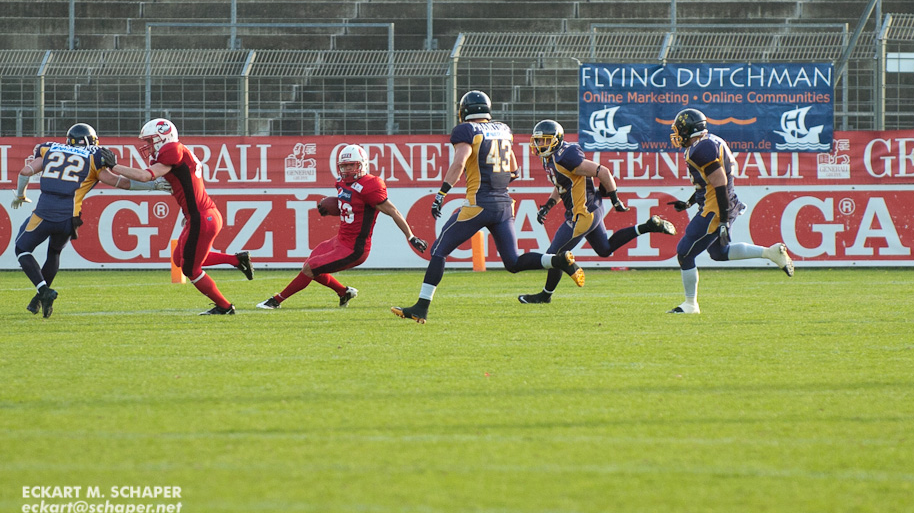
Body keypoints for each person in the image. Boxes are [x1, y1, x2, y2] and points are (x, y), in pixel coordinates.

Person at [391, 90, 585, 323]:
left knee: (439, 250)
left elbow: (459, 162)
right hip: (504, 205)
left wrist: (442, 192)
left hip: (478, 204)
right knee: (513, 262)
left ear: (464, 110)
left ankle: (421, 307)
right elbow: (514, 171)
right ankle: (558, 260)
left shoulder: (466, 130)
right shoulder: (503, 129)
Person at [10, 122, 171, 318]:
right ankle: (38, 299)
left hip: (44, 213)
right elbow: (121, 183)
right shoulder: (94, 159)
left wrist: (20, 195)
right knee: (54, 253)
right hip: (69, 219)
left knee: (22, 249)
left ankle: (43, 291)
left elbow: (25, 172)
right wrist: (153, 186)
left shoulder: (49, 149)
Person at [519, 119, 676, 304]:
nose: (540, 144)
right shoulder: (550, 159)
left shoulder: (565, 156)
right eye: (538, 140)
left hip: (584, 212)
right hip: (589, 207)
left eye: (544, 140)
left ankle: (546, 295)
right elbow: (562, 183)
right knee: (604, 249)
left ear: (556, 139)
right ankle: (648, 226)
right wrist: (548, 205)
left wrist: (615, 199)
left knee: (554, 255)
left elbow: (603, 172)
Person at [110, 118, 254, 315]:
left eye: (150, 141)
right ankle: (236, 260)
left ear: (163, 137)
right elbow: (142, 181)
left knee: (190, 270)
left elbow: (144, 176)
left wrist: (114, 165)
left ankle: (225, 306)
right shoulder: (175, 155)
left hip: (201, 217)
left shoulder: (173, 150)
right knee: (179, 259)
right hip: (199, 216)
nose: (148, 146)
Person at [257, 143, 428, 310]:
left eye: (351, 165)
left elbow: (393, 211)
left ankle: (276, 301)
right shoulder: (341, 182)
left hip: (355, 248)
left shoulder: (370, 185)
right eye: (344, 166)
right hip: (340, 240)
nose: (347, 170)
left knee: (311, 268)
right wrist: (334, 208)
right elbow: (353, 206)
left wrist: (410, 236)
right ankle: (343, 292)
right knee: (310, 264)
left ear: (362, 164)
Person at [667, 108, 794, 314]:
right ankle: (770, 253)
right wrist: (690, 203)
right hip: (719, 204)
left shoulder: (701, 149)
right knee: (719, 253)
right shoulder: (708, 141)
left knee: (684, 252)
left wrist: (724, 219)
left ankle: (690, 305)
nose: (677, 135)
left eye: (680, 130)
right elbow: (709, 182)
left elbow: (720, 182)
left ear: (690, 129)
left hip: (715, 209)